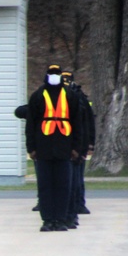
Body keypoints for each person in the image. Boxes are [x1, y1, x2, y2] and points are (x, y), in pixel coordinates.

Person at [26, 64, 82, 231]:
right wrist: (31, 148)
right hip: (43, 148)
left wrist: (76, 148)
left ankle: (61, 219)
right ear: (46, 75)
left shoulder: (70, 96)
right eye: (51, 73)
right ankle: (48, 220)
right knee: (45, 186)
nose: (54, 76)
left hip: (64, 148)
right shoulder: (37, 96)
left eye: (56, 73)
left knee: (63, 186)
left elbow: (77, 124)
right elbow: (30, 124)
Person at [63, 71, 95, 216]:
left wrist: (89, 143)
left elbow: (88, 122)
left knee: (76, 178)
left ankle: (79, 204)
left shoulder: (80, 98)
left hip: (78, 143)